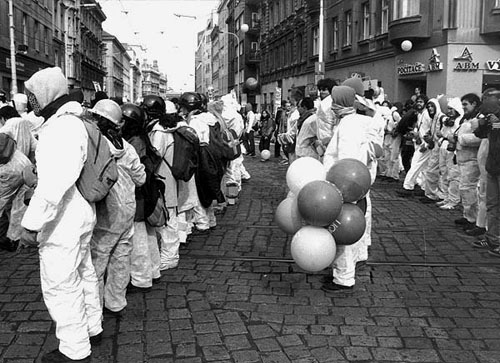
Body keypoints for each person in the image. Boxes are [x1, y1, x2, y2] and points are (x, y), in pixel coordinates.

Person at [21, 67, 102, 362]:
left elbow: (54, 182)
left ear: (45, 93)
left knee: (60, 284)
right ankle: (92, 326)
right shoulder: (70, 120)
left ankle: (74, 350)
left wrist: (31, 223)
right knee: (83, 273)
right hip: (77, 211)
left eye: (32, 95)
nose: (30, 101)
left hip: (63, 219)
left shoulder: (61, 127)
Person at [88, 99, 146, 316]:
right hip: (127, 209)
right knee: (121, 256)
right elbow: (140, 178)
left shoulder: (97, 144)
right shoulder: (126, 146)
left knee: (98, 259)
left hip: (107, 211)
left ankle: (94, 311)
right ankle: (116, 302)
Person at [322, 86, 373, 292]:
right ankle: (353, 264)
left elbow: (346, 161)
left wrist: (338, 189)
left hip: (344, 187)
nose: (331, 107)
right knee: (352, 226)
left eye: (334, 102)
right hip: (354, 186)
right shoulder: (354, 122)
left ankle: (343, 277)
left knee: (342, 229)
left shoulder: (348, 126)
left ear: (340, 103)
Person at [121, 102, 162, 289]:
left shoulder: (134, 142)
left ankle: (141, 278)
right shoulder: (140, 138)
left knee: (137, 239)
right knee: (147, 234)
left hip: (138, 194)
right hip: (145, 192)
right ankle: (153, 269)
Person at [473, 88, 500, 254]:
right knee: (492, 205)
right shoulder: (490, 117)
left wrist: (496, 124)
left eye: (486, 99)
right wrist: (483, 124)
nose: (483, 103)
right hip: (493, 166)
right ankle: (493, 238)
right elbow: (480, 134)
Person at [453, 93, 482, 232]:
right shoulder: (466, 118)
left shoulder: (480, 119)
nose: (463, 107)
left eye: (465, 104)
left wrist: (460, 139)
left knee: (468, 188)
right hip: (463, 158)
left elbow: (481, 138)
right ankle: (468, 215)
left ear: (474, 104)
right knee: (464, 188)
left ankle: (473, 218)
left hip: (472, 159)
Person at [0, 133, 32, 252]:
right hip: (22, 166)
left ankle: (14, 240)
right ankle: (17, 238)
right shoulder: (7, 141)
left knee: (5, 203)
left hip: (10, 171)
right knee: (19, 208)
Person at [396, 94, 431, 197]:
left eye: (421, 102)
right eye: (418, 102)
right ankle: (423, 187)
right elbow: (418, 127)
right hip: (419, 143)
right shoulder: (420, 115)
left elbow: (431, 130)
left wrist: (427, 143)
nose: (419, 104)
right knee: (424, 168)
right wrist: (415, 133)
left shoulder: (427, 115)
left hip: (425, 145)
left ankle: (408, 186)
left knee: (415, 164)